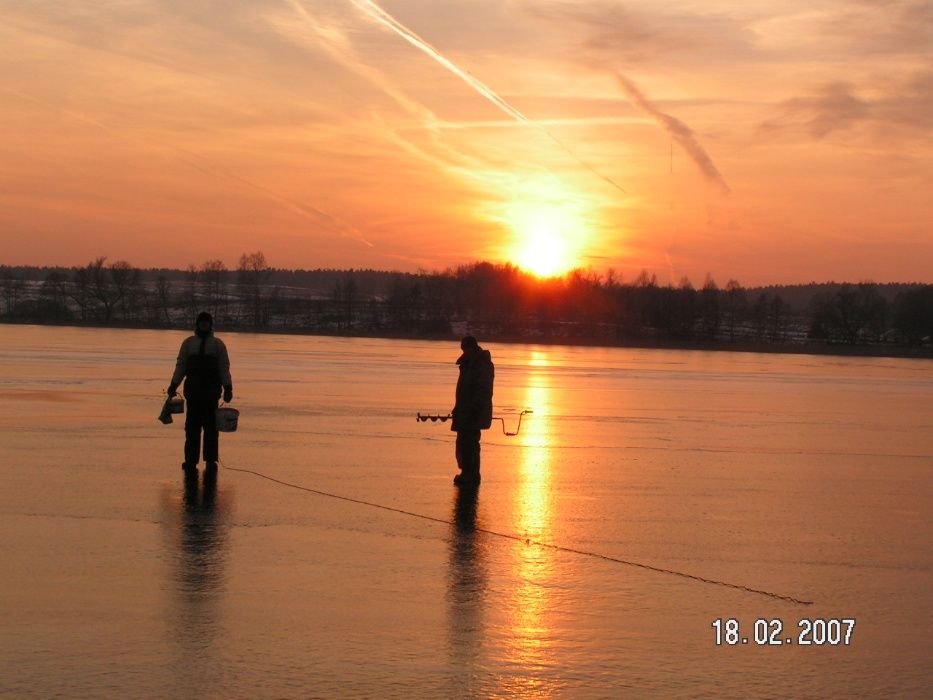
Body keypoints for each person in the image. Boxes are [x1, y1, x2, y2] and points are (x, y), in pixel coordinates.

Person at [167, 312, 233, 473]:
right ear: (197, 324)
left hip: (211, 394)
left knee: (211, 428)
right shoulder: (188, 343)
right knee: (192, 428)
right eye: (202, 323)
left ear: (210, 325)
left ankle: (211, 460)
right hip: (193, 393)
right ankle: (190, 460)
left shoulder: (218, 345)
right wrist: (174, 384)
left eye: (207, 323)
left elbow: (224, 367)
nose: (204, 325)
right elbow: (181, 365)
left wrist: (228, 387)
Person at [451, 335, 494, 486]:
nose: (464, 353)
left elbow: (484, 390)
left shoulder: (481, 364)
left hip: (473, 413)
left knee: (470, 443)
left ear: (472, 348)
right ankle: (466, 473)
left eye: (465, 349)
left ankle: (471, 475)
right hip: (465, 411)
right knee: (463, 442)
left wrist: (473, 408)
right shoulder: (469, 363)